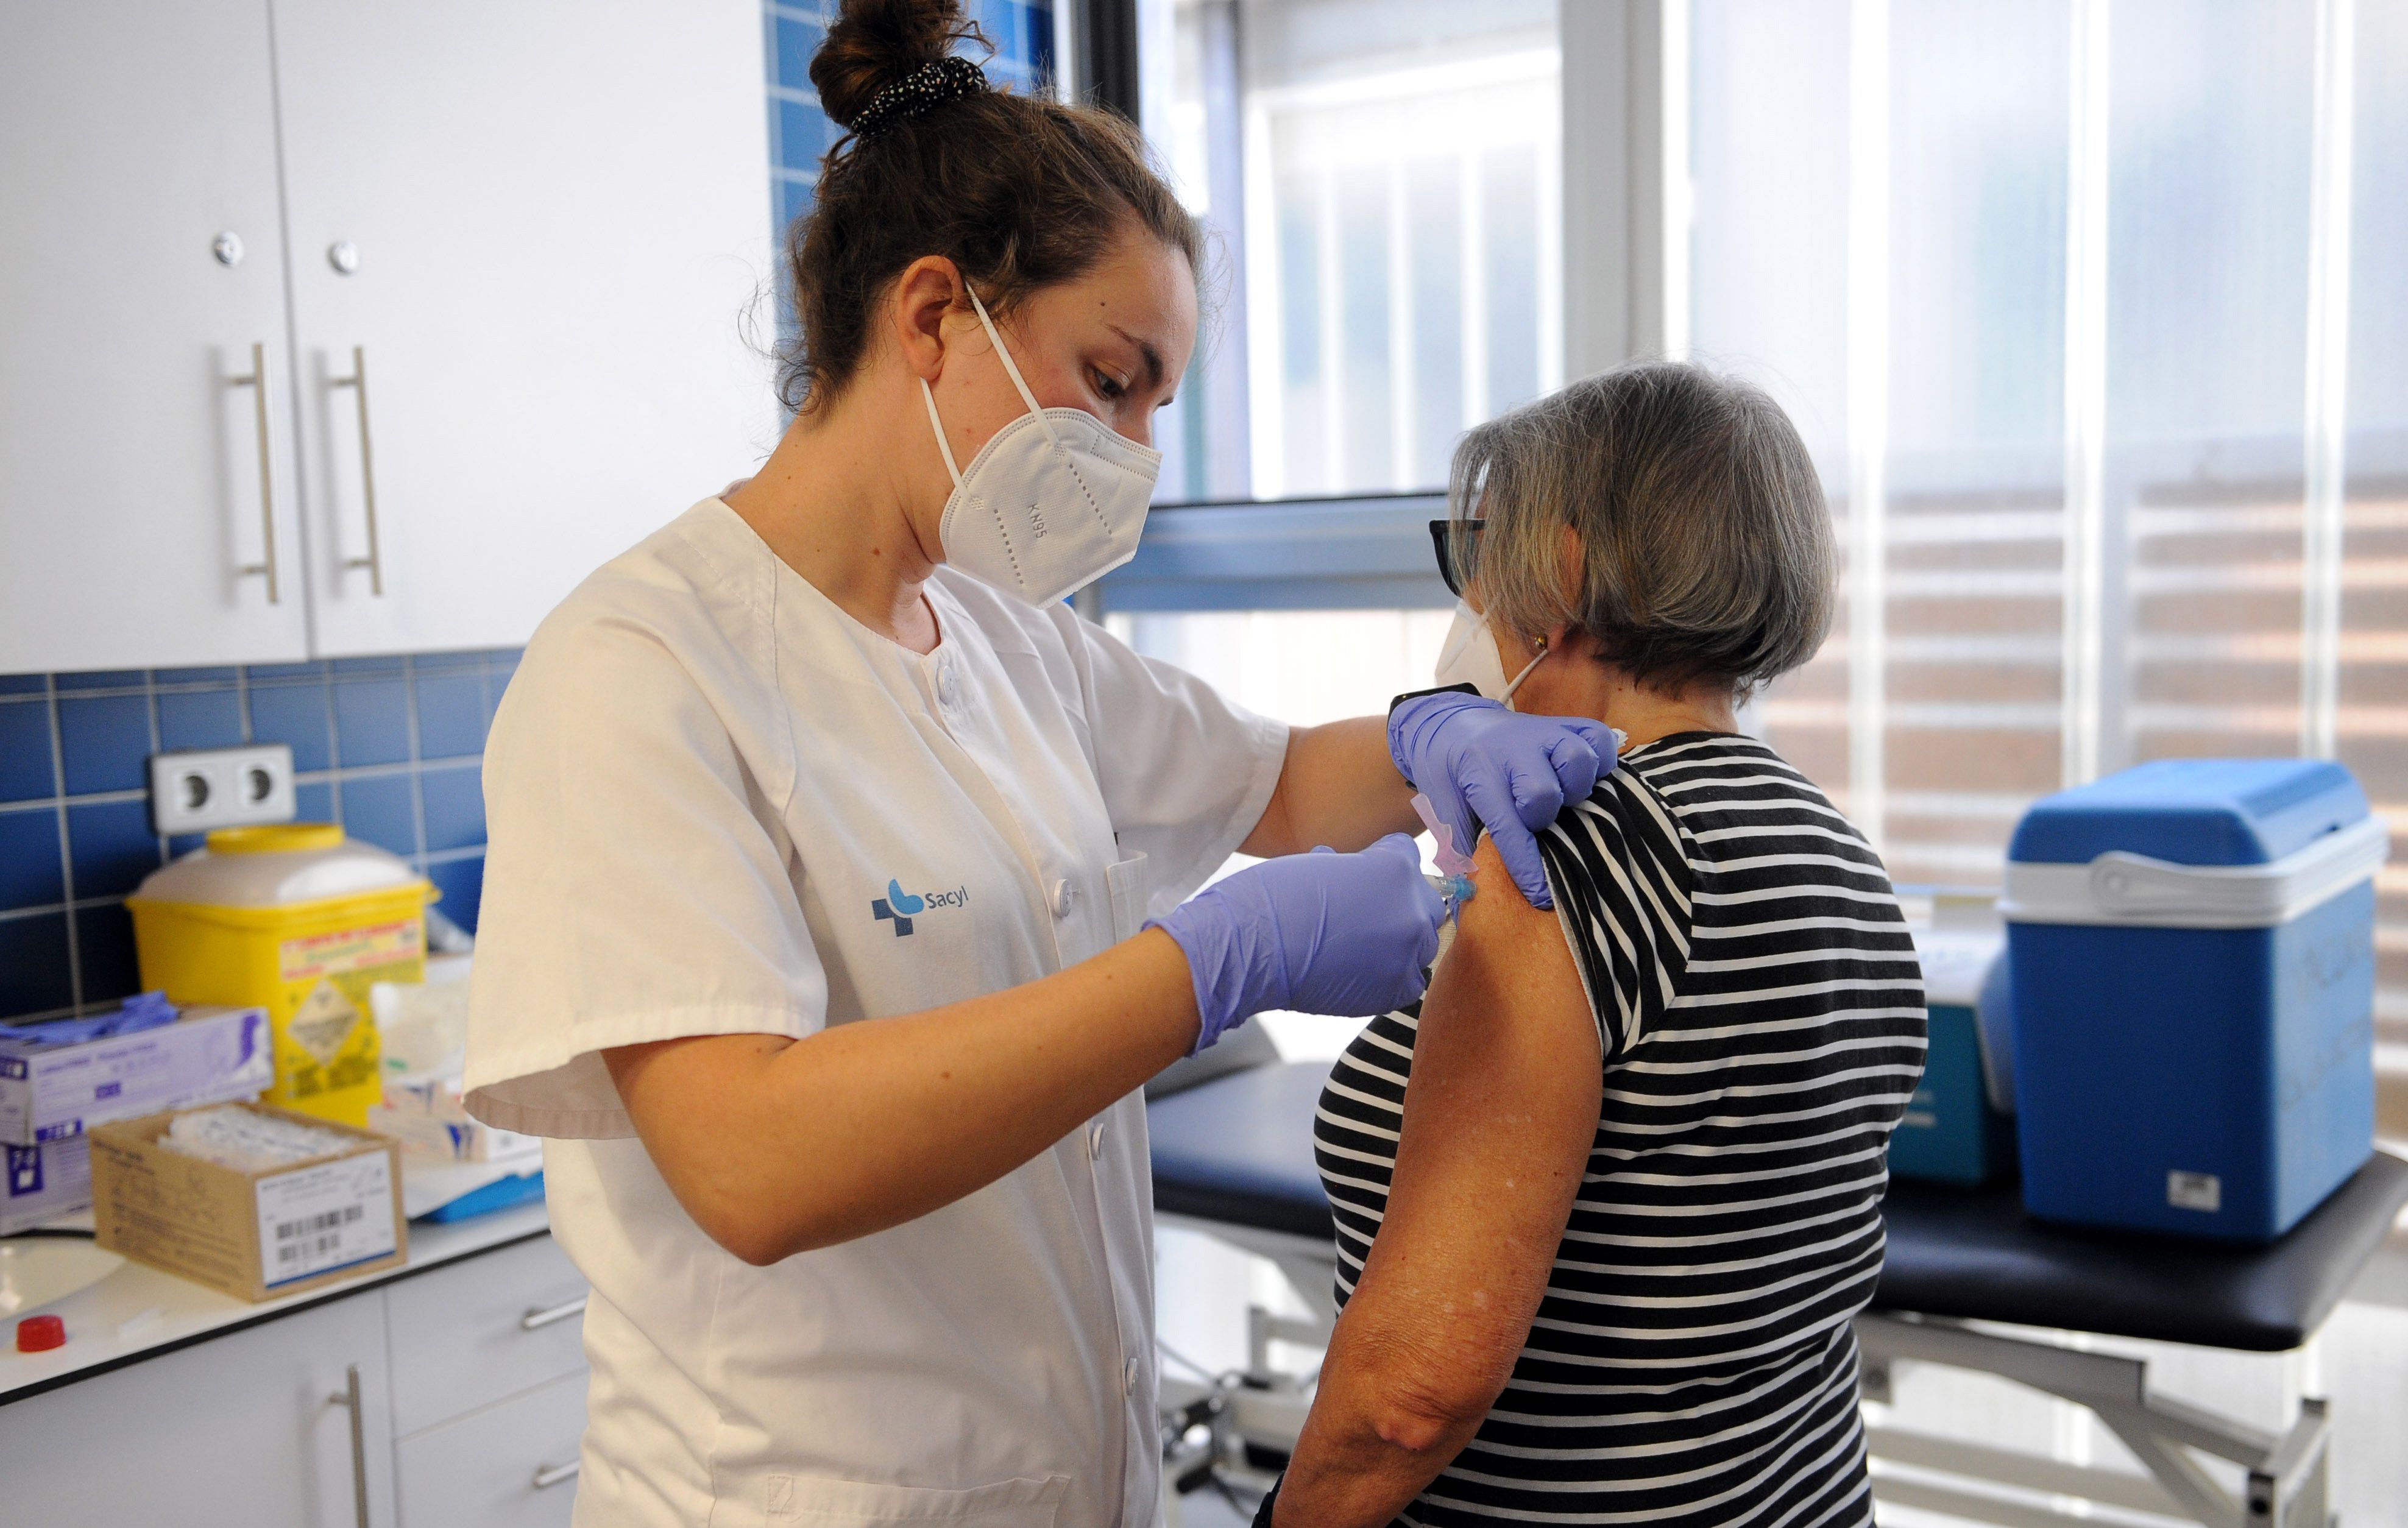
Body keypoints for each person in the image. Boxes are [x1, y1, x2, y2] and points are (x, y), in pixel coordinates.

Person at [458, 3, 1616, 1525]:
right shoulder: (641, 666)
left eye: (1154, 405)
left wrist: (1429, 736)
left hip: (1072, 1478)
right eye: (1109, 378)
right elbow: (748, 1164)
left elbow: (1267, 783)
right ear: (934, 315)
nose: (1131, 450)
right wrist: (1211, 966)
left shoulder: (1002, 634)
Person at [1261, 363, 1929, 1527]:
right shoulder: (1835, 849)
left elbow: (1411, 1396)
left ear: (1559, 571)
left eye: (1484, 552)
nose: (1472, 596)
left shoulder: (1565, 857)